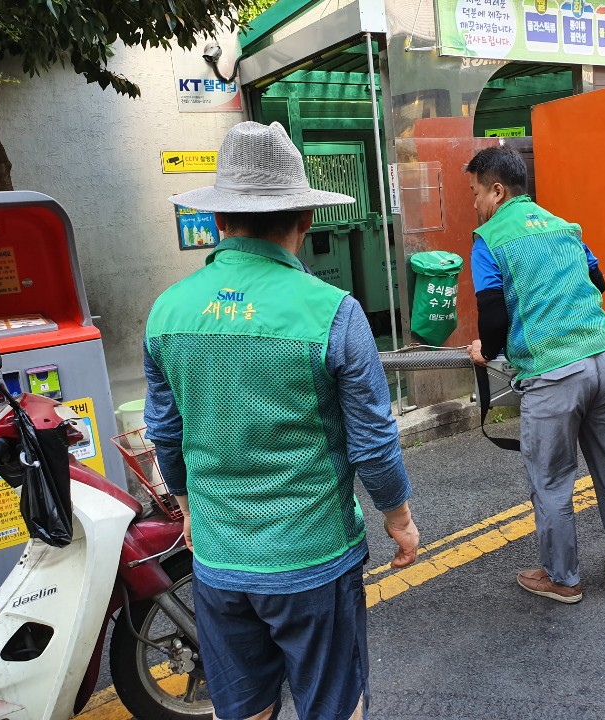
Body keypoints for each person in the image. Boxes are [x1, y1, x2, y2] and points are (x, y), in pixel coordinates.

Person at [143, 121, 419, 720]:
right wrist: (397, 517)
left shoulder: (167, 310)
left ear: (218, 221)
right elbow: (372, 442)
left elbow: (165, 432)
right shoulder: (334, 314)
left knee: (242, 708)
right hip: (314, 560)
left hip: (218, 561)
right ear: (306, 220)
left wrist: (190, 511)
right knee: (332, 705)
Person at [465, 145, 605, 604]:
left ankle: (562, 579)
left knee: (552, 481)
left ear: (497, 191)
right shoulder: (565, 227)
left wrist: (486, 352)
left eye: (476, 193)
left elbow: (493, 322)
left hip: (555, 372)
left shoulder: (488, 240)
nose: (475, 203)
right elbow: (598, 283)